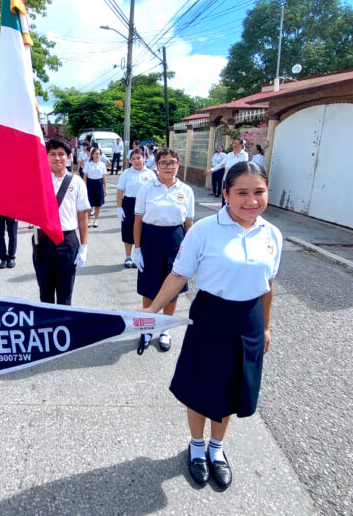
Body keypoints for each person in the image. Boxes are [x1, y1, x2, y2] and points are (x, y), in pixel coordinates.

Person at [143, 162, 282, 490]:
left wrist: (265, 327)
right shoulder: (204, 230)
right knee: (202, 385)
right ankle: (195, 446)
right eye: (242, 193)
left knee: (233, 388)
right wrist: (150, 311)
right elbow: (178, 275)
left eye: (258, 192)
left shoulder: (272, 234)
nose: (251, 200)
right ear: (225, 194)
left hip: (248, 320)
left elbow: (268, 285)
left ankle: (216, 450)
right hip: (210, 315)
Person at [133, 148, 194, 353]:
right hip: (150, 241)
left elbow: (188, 223)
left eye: (172, 162)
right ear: (156, 165)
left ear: (178, 164)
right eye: (163, 163)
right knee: (149, 287)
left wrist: (191, 251)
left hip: (176, 243)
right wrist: (137, 249)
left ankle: (165, 329)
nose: (168, 166)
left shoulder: (186, 190)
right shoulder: (147, 189)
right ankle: (148, 327)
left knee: (173, 289)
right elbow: (138, 221)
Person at [32, 138, 89, 305]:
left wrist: (84, 246)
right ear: (46, 156)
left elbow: (83, 215)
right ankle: (48, 329)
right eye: (52, 154)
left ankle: (65, 328)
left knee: (65, 292)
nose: (57, 158)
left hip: (67, 240)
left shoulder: (77, 182)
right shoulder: (37, 180)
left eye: (61, 154)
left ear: (69, 157)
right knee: (45, 291)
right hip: (42, 239)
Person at [116, 149, 157, 268]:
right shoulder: (126, 173)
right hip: (129, 204)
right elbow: (120, 191)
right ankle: (128, 257)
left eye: (138, 158)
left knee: (145, 230)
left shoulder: (150, 174)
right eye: (133, 159)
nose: (136, 161)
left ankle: (142, 255)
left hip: (146, 204)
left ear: (144, 158)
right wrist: (119, 207)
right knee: (128, 230)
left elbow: (155, 191)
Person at [206, 139, 248, 206]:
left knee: (233, 197)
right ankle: (224, 212)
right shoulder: (229, 154)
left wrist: (227, 166)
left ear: (241, 145)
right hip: (227, 178)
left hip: (236, 180)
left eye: (237, 143)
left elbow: (240, 166)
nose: (235, 145)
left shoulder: (244, 155)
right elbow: (221, 164)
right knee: (225, 197)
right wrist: (211, 170)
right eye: (234, 143)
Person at [83, 147, 107, 228]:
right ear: (92, 155)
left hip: (99, 184)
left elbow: (104, 177)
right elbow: (85, 176)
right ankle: (88, 220)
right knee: (89, 204)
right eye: (96, 154)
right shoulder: (88, 164)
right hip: (90, 184)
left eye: (99, 154)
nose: (98, 155)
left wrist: (105, 188)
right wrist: (84, 187)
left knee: (98, 204)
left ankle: (96, 220)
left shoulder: (102, 164)